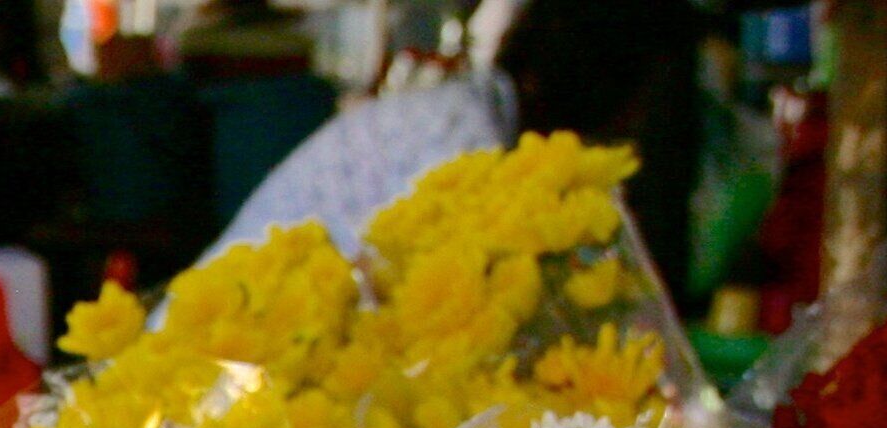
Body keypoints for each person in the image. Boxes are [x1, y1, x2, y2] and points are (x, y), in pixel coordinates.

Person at [205, 0, 708, 284]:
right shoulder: (464, 141)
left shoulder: (470, 120)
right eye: (638, 104)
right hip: (209, 382)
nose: (635, 126)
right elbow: (419, 302)